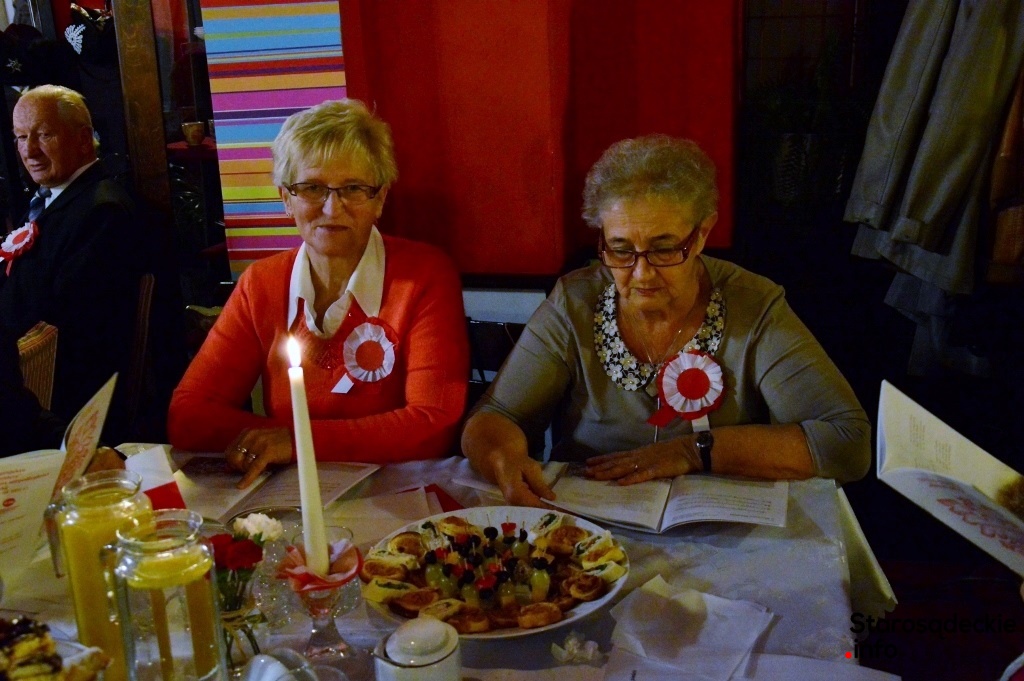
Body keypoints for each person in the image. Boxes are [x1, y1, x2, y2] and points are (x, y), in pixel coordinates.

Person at [463, 135, 871, 506]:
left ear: (703, 233)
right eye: (621, 250)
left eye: (663, 249)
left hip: (717, 525)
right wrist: (503, 458)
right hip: (592, 522)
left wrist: (693, 451)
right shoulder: (575, 301)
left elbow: (847, 442)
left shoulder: (753, 304)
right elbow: (496, 414)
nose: (641, 274)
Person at [168, 99, 469, 487]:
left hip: (397, 496)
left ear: (380, 199)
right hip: (288, 493)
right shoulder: (260, 283)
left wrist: (297, 440)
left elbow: (433, 425)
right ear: (286, 198)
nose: (332, 208)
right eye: (312, 188)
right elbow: (188, 415)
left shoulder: (426, 276)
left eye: (353, 188)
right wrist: (284, 442)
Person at [0, 85, 143, 439]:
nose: (29, 151)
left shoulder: (102, 211)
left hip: (60, 399)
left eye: (44, 135)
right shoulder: (52, 198)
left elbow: (68, 322)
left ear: (82, 139)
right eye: (21, 137)